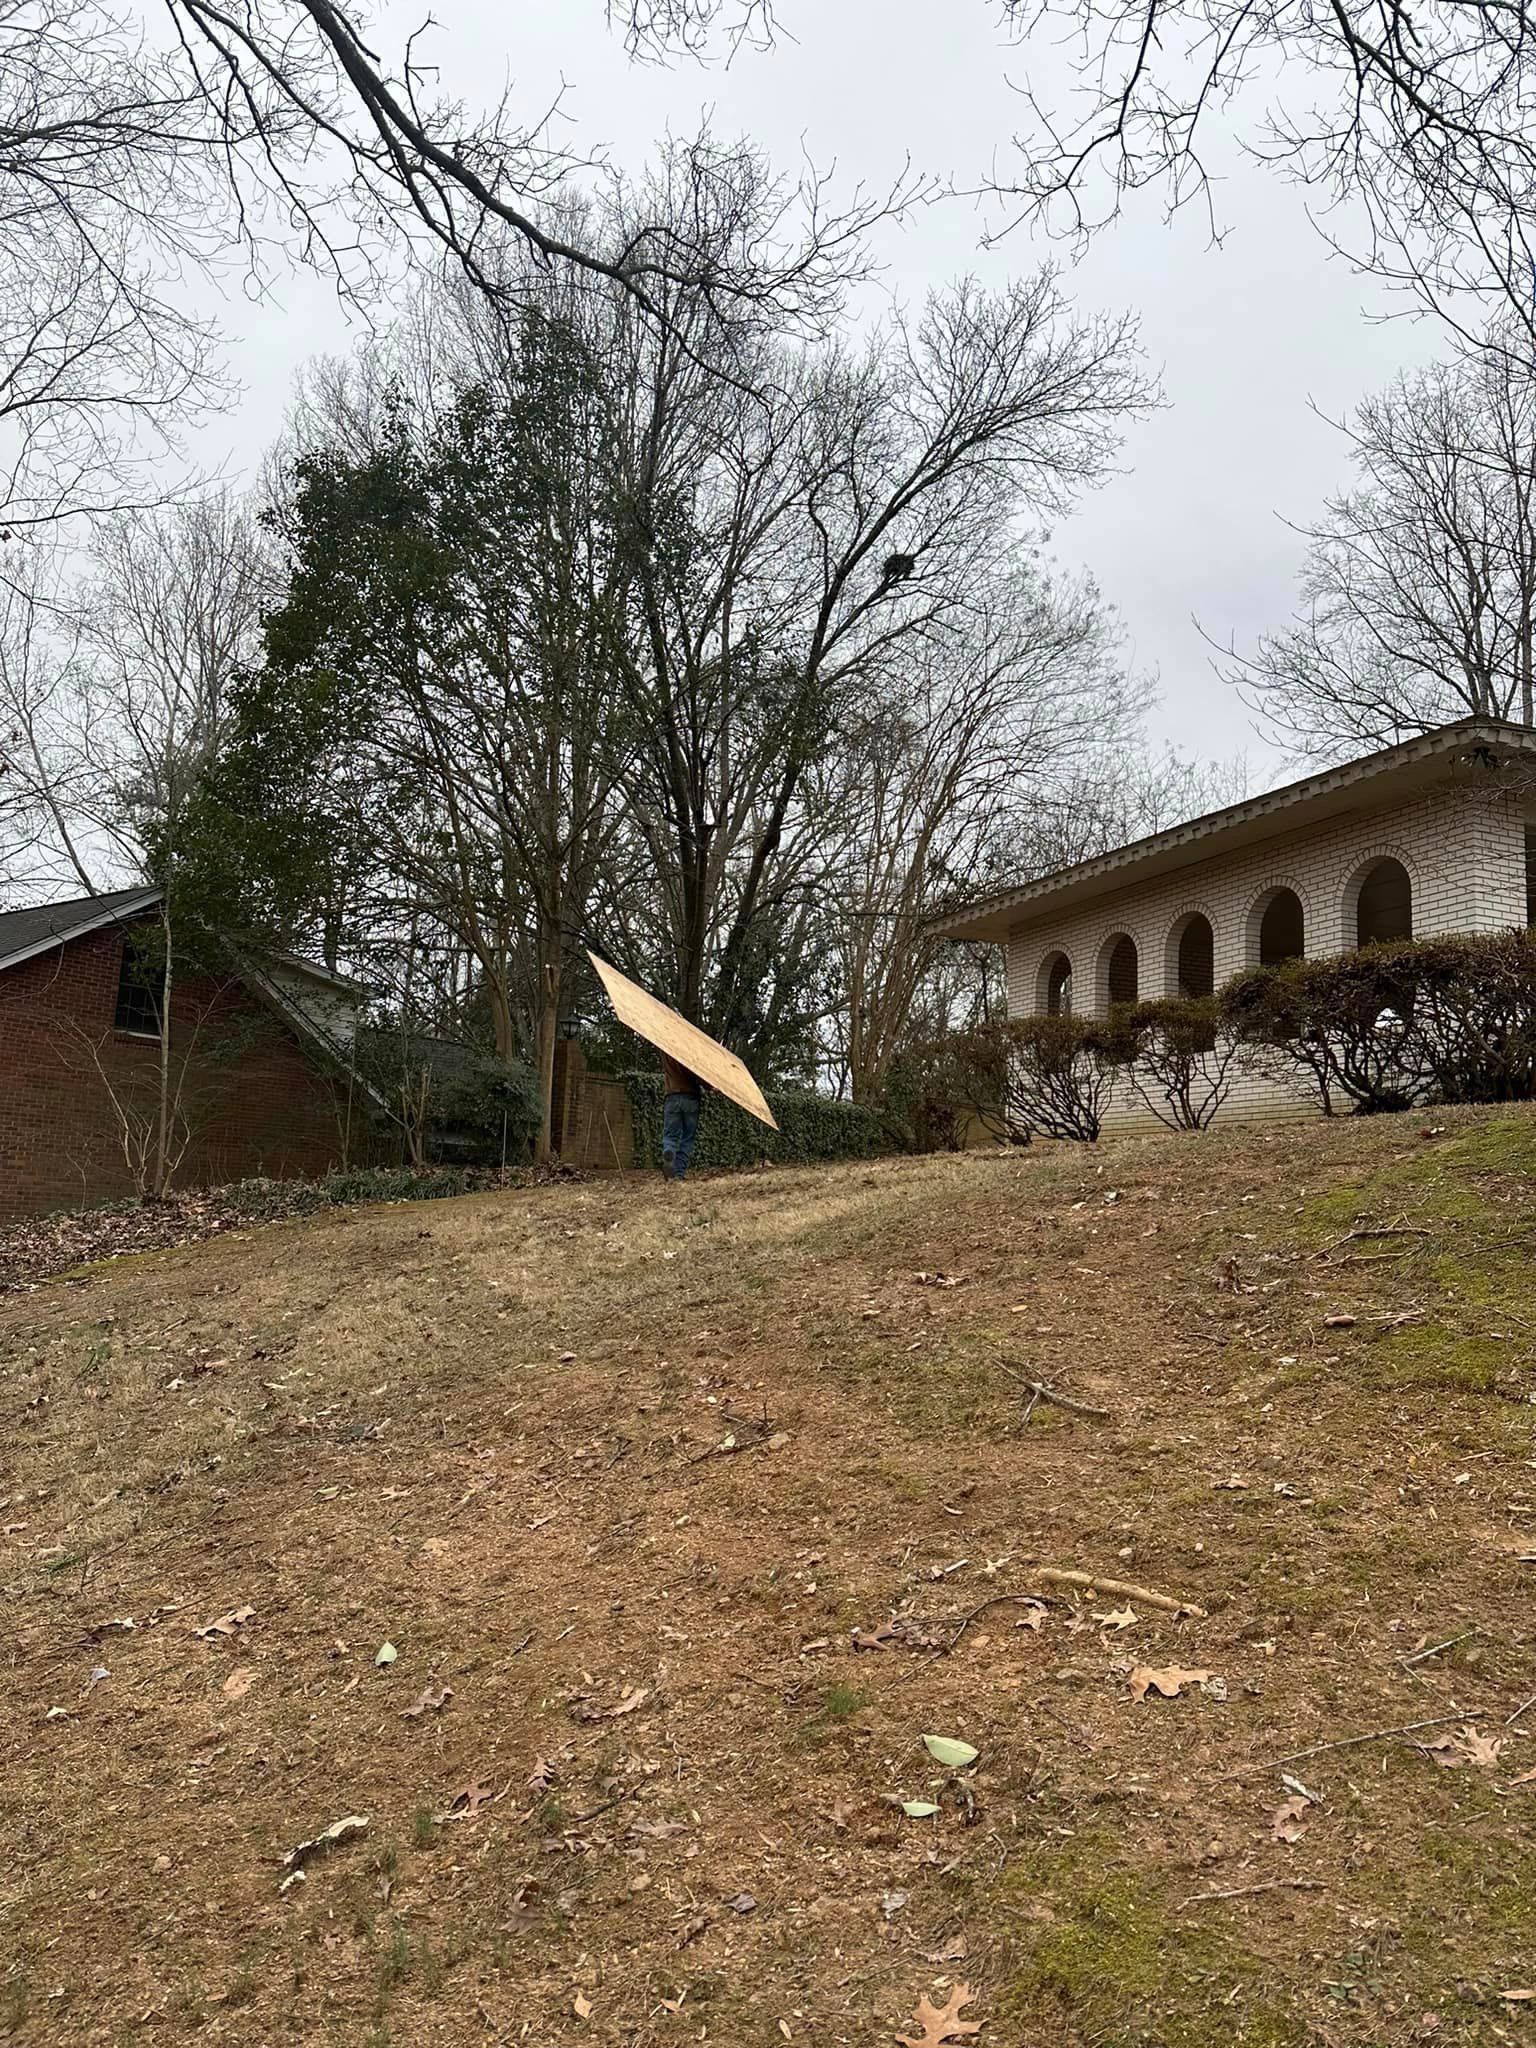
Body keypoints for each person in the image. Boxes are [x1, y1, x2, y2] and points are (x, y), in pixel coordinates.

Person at [660, 1053, 704, 1181]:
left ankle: (669, 1151)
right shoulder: (687, 1050)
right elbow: (696, 1074)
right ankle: (679, 1173)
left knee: (670, 1134)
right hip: (690, 1098)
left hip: (672, 1096)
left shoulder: (665, 1051)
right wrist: (710, 1087)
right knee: (687, 1137)